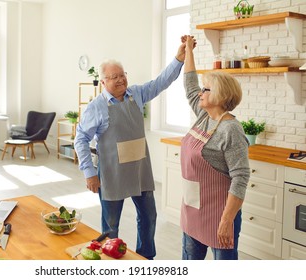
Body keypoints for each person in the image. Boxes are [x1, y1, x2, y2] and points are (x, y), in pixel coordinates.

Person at [74, 36, 192, 260]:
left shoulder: (136, 93)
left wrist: (179, 58)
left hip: (139, 170)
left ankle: (146, 257)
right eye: (114, 77)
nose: (120, 80)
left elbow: (161, 82)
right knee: (111, 225)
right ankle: (109, 261)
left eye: (122, 75)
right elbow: (80, 139)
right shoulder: (95, 107)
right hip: (111, 173)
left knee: (149, 217)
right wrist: (89, 173)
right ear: (103, 81)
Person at [180, 35, 250, 260]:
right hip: (192, 209)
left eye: (207, 89)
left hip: (220, 214)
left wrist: (226, 220)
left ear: (220, 96)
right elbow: (190, 84)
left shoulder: (231, 130)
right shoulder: (203, 115)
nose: (201, 92)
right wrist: (188, 50)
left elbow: (240, 177)